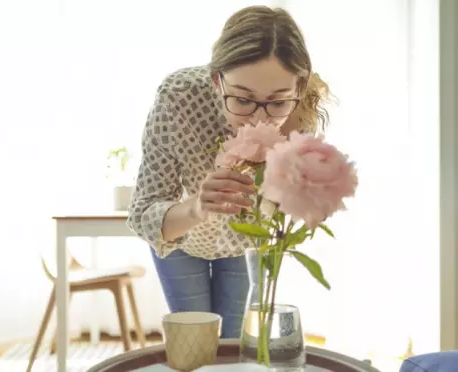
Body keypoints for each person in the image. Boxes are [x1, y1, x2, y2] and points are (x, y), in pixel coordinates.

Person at [126, 5, 332, 339]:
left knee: (232, 344)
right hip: (182, 238)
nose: (257, 119)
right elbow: (143, 213)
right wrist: (197, 207)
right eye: (242, 99)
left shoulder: (300, 113)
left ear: (299, 87)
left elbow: (296, 203)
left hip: (245, 241)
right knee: (196, 343)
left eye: (278, 102)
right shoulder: (178, 98)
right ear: (216, 78)